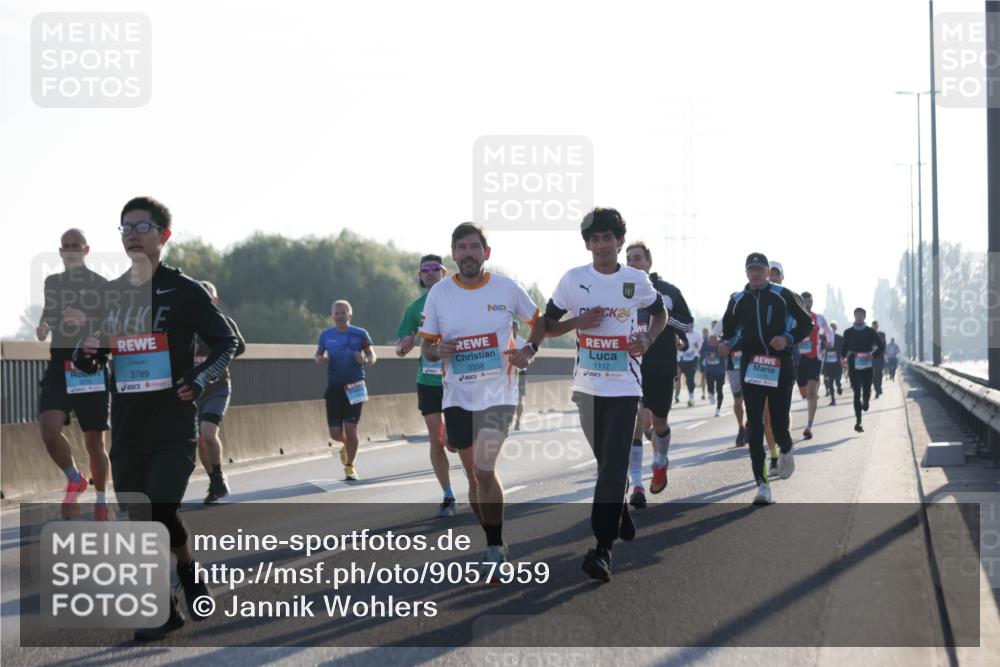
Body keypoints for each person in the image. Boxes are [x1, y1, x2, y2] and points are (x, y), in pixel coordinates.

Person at [74, 196, 238, 640]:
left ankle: (177, 582)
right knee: (142, 518)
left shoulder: (186, 290)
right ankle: (170, 600)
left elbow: (229, 343)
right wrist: (86, 354)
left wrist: (201, 378)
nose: (131, 233)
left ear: (164, 236)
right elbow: (91, 356)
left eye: (142, 226)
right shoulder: (109, 294)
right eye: (125, 227)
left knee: (160, 507)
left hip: (173, 423)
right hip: (127, 425)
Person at [543, 208, 666, 581]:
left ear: (619, 242)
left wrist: (647, 337)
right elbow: (547, 326)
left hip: (625, 385)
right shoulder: (573, 280)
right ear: (587, 244)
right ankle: (620, 511)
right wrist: (576, 323)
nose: (601, 245)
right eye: (594, 239)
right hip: (586, 387)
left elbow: (658, 315)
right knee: (606, 464)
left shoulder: (636, 279)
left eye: (608, 238)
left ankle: (602, 549)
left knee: (613, 465)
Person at [419, 222, 542, 576]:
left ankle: (494, 545)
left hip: (498, 395)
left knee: (486, 471)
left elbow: (538, 321)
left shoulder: (506, 287)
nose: (468, 253)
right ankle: (491, 536)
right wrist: (436, 349)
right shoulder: (440, 293)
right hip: (457, 396)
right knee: (473, 477)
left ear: (486, 253)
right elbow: (427, 347)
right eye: (461, 248)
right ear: (454, 254)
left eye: (475, 247)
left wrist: (529, 350)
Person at [719, 252, 811, 505]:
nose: (756, 273)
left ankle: (787, 448)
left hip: (780, 366)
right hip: (753, 368)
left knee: (780, 425)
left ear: (768, 271)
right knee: (755, 426)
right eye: (752, 270)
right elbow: (730, 330)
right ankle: (762, 486)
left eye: (760, 269)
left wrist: (788, 339)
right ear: (746, 272)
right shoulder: (737, 299)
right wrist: (727, 343)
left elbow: (806, 324)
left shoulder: (782, 295)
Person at [36, 228, 111, 519]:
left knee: (94, 442)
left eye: (75, 246)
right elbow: (50, 312)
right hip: (59, 363)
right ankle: (74, 477)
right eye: (65, 246)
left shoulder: (102, 285)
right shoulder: (52, 282)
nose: (70, 250)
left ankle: (102, 499)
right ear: (60, 251)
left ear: (86, 250)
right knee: (49, 429)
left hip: (90, 364)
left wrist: (87, 319)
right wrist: (44, 325)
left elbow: (111, 324)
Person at [623, 241, 693, 509]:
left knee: (659, 422)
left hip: (661, 365)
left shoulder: (668, 292)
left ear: (649, 263)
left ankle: (661, 460)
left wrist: (660, 314)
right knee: (636, 422)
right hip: (629, 366)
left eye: (637, 258)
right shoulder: (618, 290)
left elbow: (687, 324)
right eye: (628, 258)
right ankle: (637, 484)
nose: (632, 263)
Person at [396, 254, 457, 517]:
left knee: (456, 442)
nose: (430, 273)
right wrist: (404, 347)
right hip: (429, 381)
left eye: (435, 268)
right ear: (420, 276)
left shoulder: (459, 300)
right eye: (425, 270)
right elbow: (401, 346)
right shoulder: (415, 307)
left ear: (444, 272)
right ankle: (448, 494)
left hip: (457, 379)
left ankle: (478, 482)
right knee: (437, 438)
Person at [194, 281, 246, 504]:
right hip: (194, 389)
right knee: (200, 441)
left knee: (208, 433)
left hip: (218, 387)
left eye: (208, 295)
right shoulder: (185, 324)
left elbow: (240, 348)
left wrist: (218, 356)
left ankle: (217, 477)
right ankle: (215, 480)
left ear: (214, 299)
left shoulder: (225, 323)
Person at [315, 300, 377, 481]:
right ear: (332, 316)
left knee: (351, 428)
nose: (340, 316)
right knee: (335, 432)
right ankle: (346, 445)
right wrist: (320, 359)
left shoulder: (360, 334)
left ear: (350, 315)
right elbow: (318, 354)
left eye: (344, 313)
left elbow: (372, 356)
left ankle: (350, 466)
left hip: (356, 386)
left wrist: (364, 360)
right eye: (337, 313)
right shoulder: (326, 335)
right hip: (334, 387)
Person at [795, 292, 833, 440]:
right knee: (805, 393)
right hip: (799, 360)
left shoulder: (819, 318)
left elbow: (829, 331)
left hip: (815, 358)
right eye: (804, 301)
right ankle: (812, 392)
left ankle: (809, 426)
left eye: (810, 301)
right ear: (800, 302)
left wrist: (830, 341)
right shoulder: (795, 317)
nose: (807, 303)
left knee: (810, 393)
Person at [842, 308, 885, 433]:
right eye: (857, 315)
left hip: (867, 363)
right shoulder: (848, 332)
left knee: (866, 389)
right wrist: (842, 358)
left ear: (864, 317)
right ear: (854, 316)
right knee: (856, 391)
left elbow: (881, 346)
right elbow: (844, 348)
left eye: (861, 315)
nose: (859, 317)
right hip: (853, 363)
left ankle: (866, 401)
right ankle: (858, 422)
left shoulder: (870, 332)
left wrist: (873, 355)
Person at [701, 334, 727, 417]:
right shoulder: (706, 342)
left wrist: (721, 348)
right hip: (710, 370)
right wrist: (706, 355)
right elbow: (701, 352)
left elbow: (726, 353)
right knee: (710, 388)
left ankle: (718, 409)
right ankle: (711, 393)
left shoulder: (723, 342)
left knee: (720, 390)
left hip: (720, 371)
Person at [512, 321, 529, 431]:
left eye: (514, 328)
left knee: (519, 399)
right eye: (511, 327)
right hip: (507, 374)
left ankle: (517, 420)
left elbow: (528, 358)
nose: (512, 329)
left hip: (520, 372)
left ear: (517, 329)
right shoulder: (503, 341)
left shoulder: (522, 342)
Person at [678, 327, 702, 407]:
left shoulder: (697, 333)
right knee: (677, 377)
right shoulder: (681, 331)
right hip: (682, 358)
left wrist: (698, 346)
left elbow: (701, 344)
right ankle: (676, 395)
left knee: (690, 378)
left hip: (693, 358)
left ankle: (691, 396)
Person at [822, 322, 844, 405]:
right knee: (830, 381)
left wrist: (843, 357)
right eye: (829, 327)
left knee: (838, 378)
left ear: (835, 328)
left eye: (833, 327)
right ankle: (833, 399)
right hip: (828, 362)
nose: (831, 329)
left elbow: (843, 349)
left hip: (837, 361)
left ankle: (839, 385)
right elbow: (821, 347)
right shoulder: (825, 338)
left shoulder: (839, 338)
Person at [871, 320, 887, 398]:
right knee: (873, 374)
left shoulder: (882, 334)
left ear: (877, 326)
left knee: (879, 373)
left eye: (876, 326)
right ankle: (876, 388)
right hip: (871, 357)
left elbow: (884, 345)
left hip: (880, 356)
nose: (875, 327)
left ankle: (879, 387)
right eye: (873, 326)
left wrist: (884, 353)